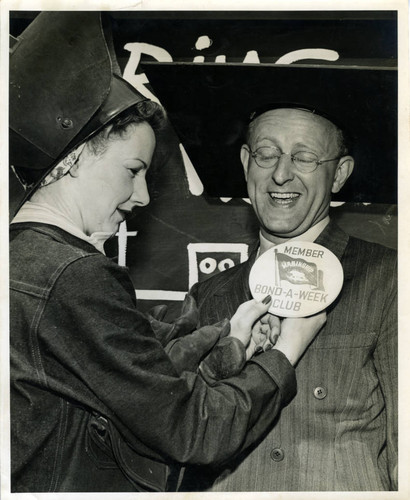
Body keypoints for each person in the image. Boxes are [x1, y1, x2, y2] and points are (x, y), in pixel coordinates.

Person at [8, 12, 325, 493]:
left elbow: (126, 378)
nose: (142, 197)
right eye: (132, 170)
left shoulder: (23, 258)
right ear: (73, 157)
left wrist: (232, 339)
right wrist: (286, 350)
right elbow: (193, 432)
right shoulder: (71, 276)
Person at [181, 106, 397, 491]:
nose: (280, 174)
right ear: (247, 162)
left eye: (304, 157)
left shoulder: (391, 279)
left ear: (340, 174)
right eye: (266, 154)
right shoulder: (208, 295)